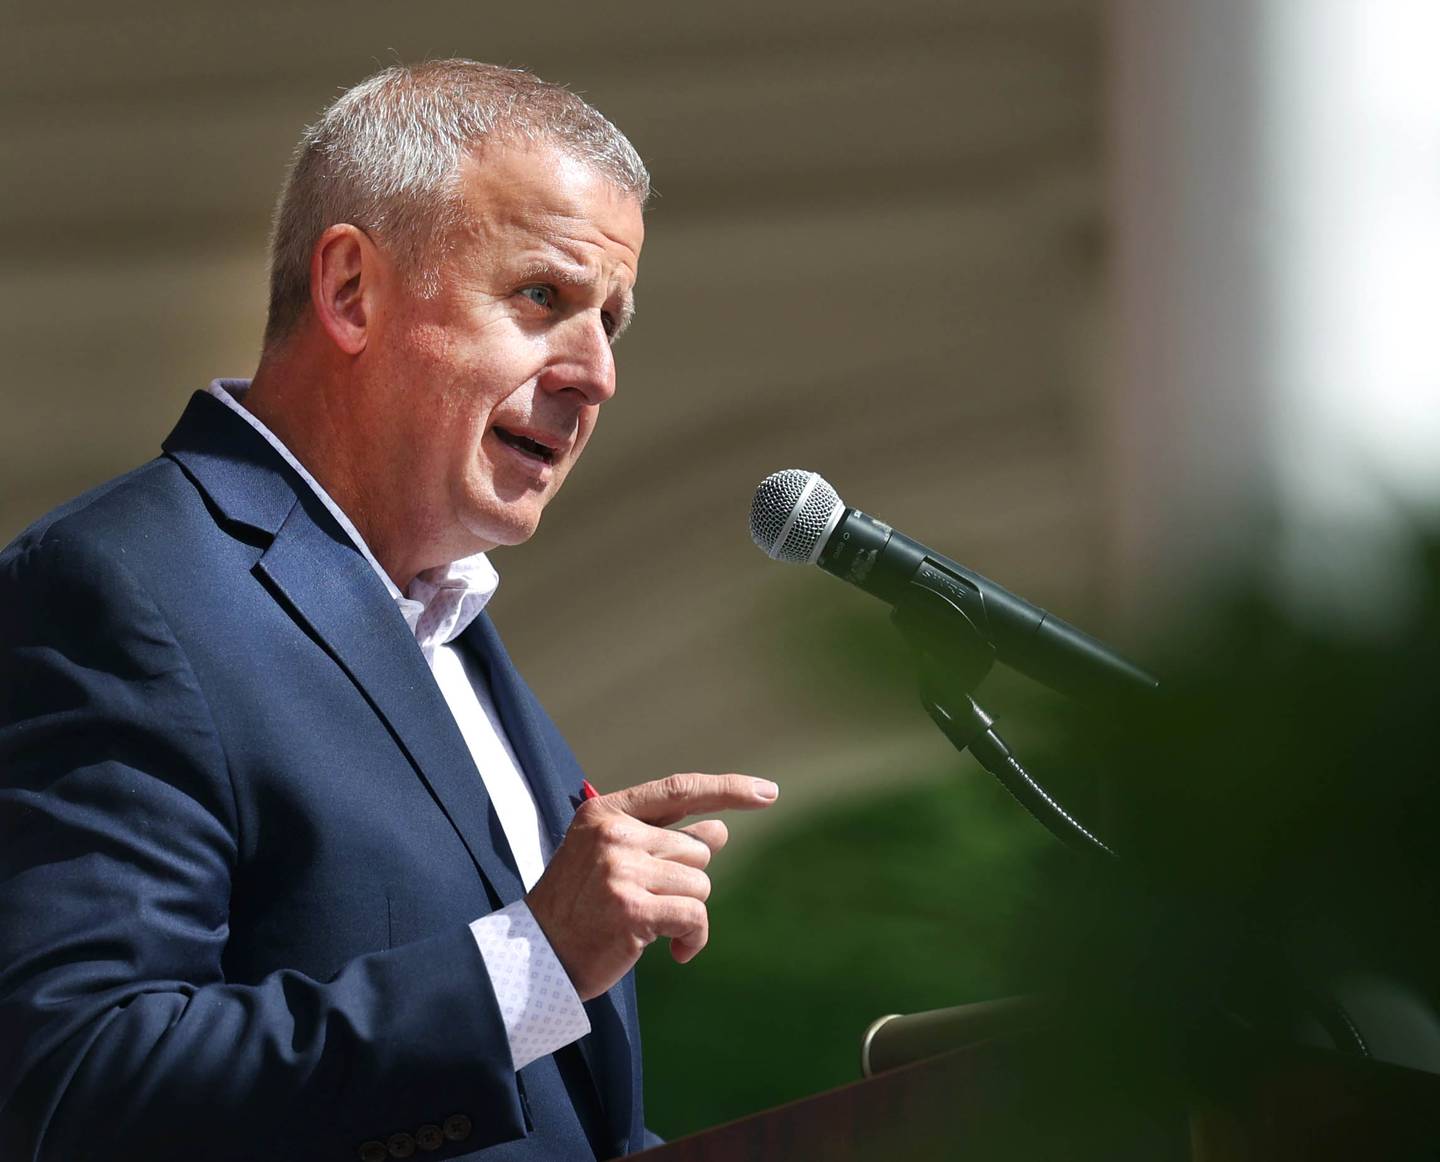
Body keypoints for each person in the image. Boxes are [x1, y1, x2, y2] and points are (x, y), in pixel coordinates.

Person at [0, 60, 778, 1162]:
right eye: (544, 298)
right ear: (352, 290)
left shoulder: (454, 636)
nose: (597, 372)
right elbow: (80, 1084)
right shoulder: (122, 587)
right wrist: (527, 961)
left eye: (613, 319)